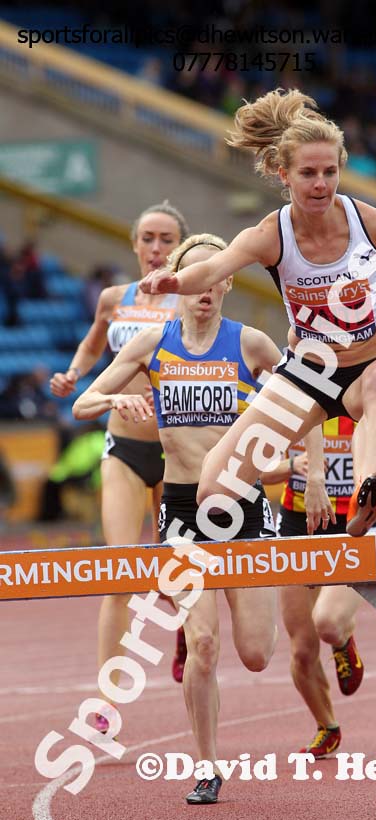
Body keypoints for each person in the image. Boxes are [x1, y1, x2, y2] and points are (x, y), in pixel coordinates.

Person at [73, 233, 330, 805]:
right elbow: (81, 403)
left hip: (243, 510)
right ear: (179, 285)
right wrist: (118, 401)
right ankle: (207, 766)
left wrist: (311, 474)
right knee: (206, 645)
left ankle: (200, 635)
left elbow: (310, 396)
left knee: (257, 654)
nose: (207, 290)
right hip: (184, 515)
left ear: (228, 282)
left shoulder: (251, 343)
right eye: (196, 279)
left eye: (216, 278)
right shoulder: (151, 342)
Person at [140, 88, 376, 536]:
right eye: (308, 173)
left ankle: (368, 490)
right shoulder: (270, 235)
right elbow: (214, 266)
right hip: (307, 375)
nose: (321, 184)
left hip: (371, 364)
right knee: (213, 494)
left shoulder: (370, 224)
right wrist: (174, 281)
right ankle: (327, 494)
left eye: (330, 171)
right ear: (284, 175)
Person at [50, 200, 189, 728]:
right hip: (125, 447)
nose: (156, 248)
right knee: (120, 572)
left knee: (180, 572)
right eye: (148, 238)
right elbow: (90, 348)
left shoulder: (191, 300)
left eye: (167, 240)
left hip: (179, 452)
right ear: (134, 244)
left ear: (181, 246)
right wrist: (71, 375)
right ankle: (106, 701)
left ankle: (186, 632)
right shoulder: (113, 299)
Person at [269, 412, 376, 757]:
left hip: (352, 528)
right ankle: (327, 726)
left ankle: (342, 640)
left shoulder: (367, 397)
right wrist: (294, 466)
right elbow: (260, 471)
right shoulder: (295, 398)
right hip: (300, 525)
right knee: (302, 649)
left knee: (326, 622)